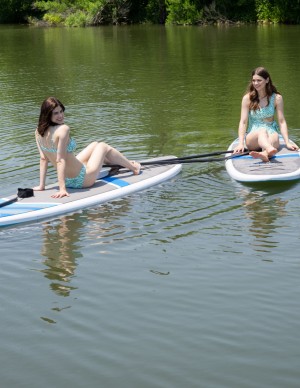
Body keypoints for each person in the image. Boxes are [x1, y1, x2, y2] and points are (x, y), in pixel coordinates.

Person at [33, 97, 141, 198]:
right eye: (56, 113)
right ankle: (134, 168)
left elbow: (43, 159)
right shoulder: (63, 129)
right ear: (47, 115)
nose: (60, 115)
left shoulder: (38, 132)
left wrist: (42, 186)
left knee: (94, 145)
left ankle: (113, 163)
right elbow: (60, 160)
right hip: (82, 180)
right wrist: (62, 189)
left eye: (61, 111)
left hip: (66, 178)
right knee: (102, 146)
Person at [234, 66, 298, 161]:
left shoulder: (277, 98)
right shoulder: (247, 98)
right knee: (262, 131)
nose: (256, 83)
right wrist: (240, 144)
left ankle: (265, 153)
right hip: (253, 136)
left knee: (271, 135)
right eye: (253, 80)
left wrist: (287, 142)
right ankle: (269, 149)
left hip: (271, 132)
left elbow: (281, 121)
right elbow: (243, 122)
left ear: (267, 80)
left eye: (259, 80)